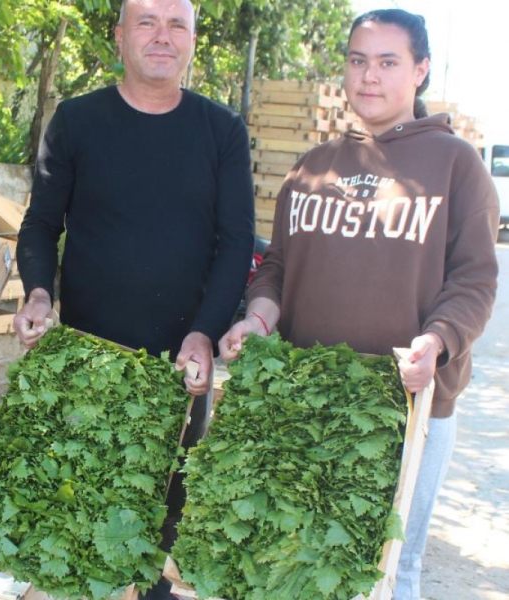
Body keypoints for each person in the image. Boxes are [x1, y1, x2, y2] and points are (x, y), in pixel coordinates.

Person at [219, 9, 499, 600]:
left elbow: (474, 280)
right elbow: (277, 267)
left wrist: (438, 341)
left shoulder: (457, 166)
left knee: (390, 571)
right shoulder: (312, 168)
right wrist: (258, 317)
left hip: (408, 407)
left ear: (420, 70)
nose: (369, 77)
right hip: (305, 399)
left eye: (388, 62)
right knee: (292, 558)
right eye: (357, 61)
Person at [13, 0, 255, 595]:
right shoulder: (76, 121)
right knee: (75, 519)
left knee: (159, 529)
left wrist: (204, 331)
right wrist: (40, 294)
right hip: (85, 362)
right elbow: (41, 224)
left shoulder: (221, 131)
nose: (162, 36)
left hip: (178, 369)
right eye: (147, 21)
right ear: (120, 35)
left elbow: (235, 245)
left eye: (177, 24)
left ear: (193, 41)